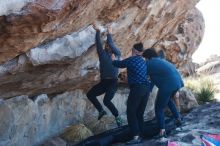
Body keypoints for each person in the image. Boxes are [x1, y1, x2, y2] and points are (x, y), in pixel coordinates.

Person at [112, 43, 151, 145]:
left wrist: (112, 58)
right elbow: (139, 74)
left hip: (137, 88)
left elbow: (118, 64)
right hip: (146, 89)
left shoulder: (131, 60)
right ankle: (141, 134)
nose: (131, 51)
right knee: (139, 113)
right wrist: (129, 80)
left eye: (132, 50)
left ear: (135, 51)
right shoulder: (144, 61)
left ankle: (135, 136)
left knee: (131, 112)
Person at [142, 48, 184, 138]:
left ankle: (162, 132)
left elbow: (142, 75)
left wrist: (147, 90)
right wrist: (149, 89)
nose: (144, 60)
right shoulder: (161, 61)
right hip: (177, 82)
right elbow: (153, 79)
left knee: (159, 108)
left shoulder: (149, 63)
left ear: (147, 57)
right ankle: (178, 119)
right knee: (168, 100)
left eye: (145, 58)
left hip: (168, 85)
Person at [86, 24, 122, 127]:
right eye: (106, 45)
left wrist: (109, 34)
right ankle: (101, 110)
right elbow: (98, 44)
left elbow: (111, 43)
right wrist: (97, 32)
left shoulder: (118, 54)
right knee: (90, 94)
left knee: (107, 100)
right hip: (104, 82)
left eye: (109, 46)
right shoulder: (102, 54)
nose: (108, 46)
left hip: (113, 82)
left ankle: (117, 117)